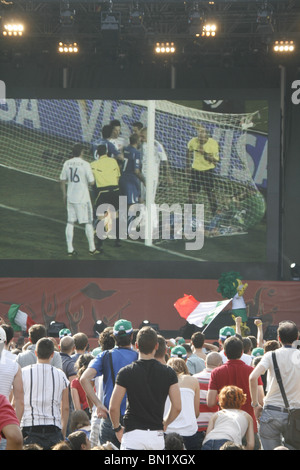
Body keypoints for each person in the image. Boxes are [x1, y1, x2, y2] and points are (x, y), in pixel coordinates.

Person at [109, 326, 181, 450]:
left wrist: (117, 428)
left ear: (136, 345)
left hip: (133, 435)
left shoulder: (126, 372)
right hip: (156, 435)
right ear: (156, 346)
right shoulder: (169, 372)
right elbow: (177, 407)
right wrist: (166, 422)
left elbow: (113, 407)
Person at [80, 319, 138, 448]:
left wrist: (98, 405)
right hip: (133, 419)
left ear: (114, 336)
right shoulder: (138, 357)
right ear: (131, 336)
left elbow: (84, 379)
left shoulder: (105, 356)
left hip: (110, 418)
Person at [249, 320, 300, 450]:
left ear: (279, 338)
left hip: (272, 412)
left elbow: (253, 377)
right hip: (296, 415)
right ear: (297, 337)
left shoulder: (270, 355)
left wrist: (255, 404)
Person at [207, 335, 264, 449]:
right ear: (242, 352)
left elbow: (210, 402)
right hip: (249, 426)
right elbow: (261, 400)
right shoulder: (252, 372)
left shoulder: (216, 372)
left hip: (225, 427)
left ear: (225, 353)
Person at [21, 337, 69, 450]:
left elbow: (17, 402)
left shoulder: (23, 373)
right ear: (52, 354)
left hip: (29, 427)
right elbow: (65, 407)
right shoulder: (61, 375)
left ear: (36, 353)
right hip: (53, 428)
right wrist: (63, 431)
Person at [60, 143, 98, 256]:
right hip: (82, 198)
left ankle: (70, 250)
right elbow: (92, 182)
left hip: (70, 197)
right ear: (82, 152)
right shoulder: (86, 164)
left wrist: (64, 194)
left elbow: (62, 180)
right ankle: (92, 248)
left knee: (70, 222)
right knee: (88, 222)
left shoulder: (67, 163)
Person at [202, 385, 254, 450]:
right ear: (242, 399)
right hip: (228, 444)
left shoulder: (216, 415)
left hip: (209, 441)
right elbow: (250, 445)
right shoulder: (247, 416)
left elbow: (208, 434)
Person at [90, 144, 121, 251]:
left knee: (101, 217)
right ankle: (117, 241)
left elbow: (92, 181)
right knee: (116, 215)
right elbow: (117, 176)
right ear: (107, 152)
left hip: (102, 192)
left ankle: (99, 245)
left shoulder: (93, 164)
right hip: (115, 190)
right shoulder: (113, 161)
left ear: (97, 153)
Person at [164, 357, 200, 450]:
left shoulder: (163, 380)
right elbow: (196, 413)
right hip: (189, 431)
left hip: (166, 430)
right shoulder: (193, 381)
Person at [186, 124, 219, 214]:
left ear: (207, 135)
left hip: (207, 171)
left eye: (202, 135)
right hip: (195, 171)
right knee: (191, 193)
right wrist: (188, 167)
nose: (200, 138)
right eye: (199, 134)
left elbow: (215, 161)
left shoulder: (213, 144)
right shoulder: (193, 141)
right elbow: (188, 153)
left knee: (210, 193)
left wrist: (204, 153)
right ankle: (189, 213)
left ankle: (214, 212)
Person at [193, 351, 223, 448]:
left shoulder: (194, 379)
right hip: (216, 427)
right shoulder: (221, 379)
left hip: (197, 427)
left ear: (205, 363)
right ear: (220, 364)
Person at [119, 133, 145, 209]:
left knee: (123, 205)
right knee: (132, 205)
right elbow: (136, 171)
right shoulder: (136, 153)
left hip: (122, 179)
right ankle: (131, 221)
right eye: (140, 141)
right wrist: (144, 181)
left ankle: (122, 221)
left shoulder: (125, 149)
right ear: (137, 142)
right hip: (131, 181)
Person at [71, 353, 94, 418]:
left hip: (85, 414)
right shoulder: (96, 379)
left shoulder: (75, 382)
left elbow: (77, 408)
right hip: (97, 409)